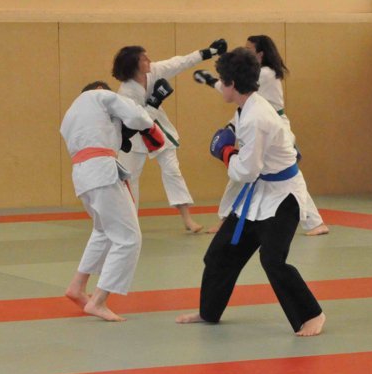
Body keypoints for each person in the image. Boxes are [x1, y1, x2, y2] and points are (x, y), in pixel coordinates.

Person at [176, 47, 326, 337]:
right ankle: (209, 312)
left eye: (223, 81)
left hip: (283, 196)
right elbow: (225, 85)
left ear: (233, 84)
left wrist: (225, 151)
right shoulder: (248, 101)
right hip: (257, 196)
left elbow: (246, 170)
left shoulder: (257, 116)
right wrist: (211, 81)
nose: (221, 85)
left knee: (273, 260)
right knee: (219, 255)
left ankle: (312, 314)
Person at [194, 35, 329, 236]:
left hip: (273, 127)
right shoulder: (251, 98)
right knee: (256, 174)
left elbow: (234, 86)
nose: (246, 52)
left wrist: (211, 80)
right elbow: (235, 92)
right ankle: (226, 218)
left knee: (279, 175)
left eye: (250, 50)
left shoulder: (264, 73)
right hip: (265, 125)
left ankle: (315, 222)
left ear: (261, 53)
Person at [60, 80, 165, 321]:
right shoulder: (100, 96)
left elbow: (110, 134)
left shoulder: (70, 115)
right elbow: (137, 118)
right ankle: (98, 301)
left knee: (103, 231)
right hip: (102, 171)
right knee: (128, 238)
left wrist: (118, 131)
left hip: (83, 175)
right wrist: (150, 122)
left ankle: (77, 287)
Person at [113, 40, 227, 233]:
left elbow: (179, 62)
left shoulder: (154, 71)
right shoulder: (126, 91)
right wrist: (154, 102)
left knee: (172, 171)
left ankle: (187, 219)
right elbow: (137, 121)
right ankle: (128, 221)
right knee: (129, 179)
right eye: (143, 58)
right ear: (134, 65)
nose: (149, 60)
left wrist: (209, 52)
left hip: (159, 132)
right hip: (132, 138)